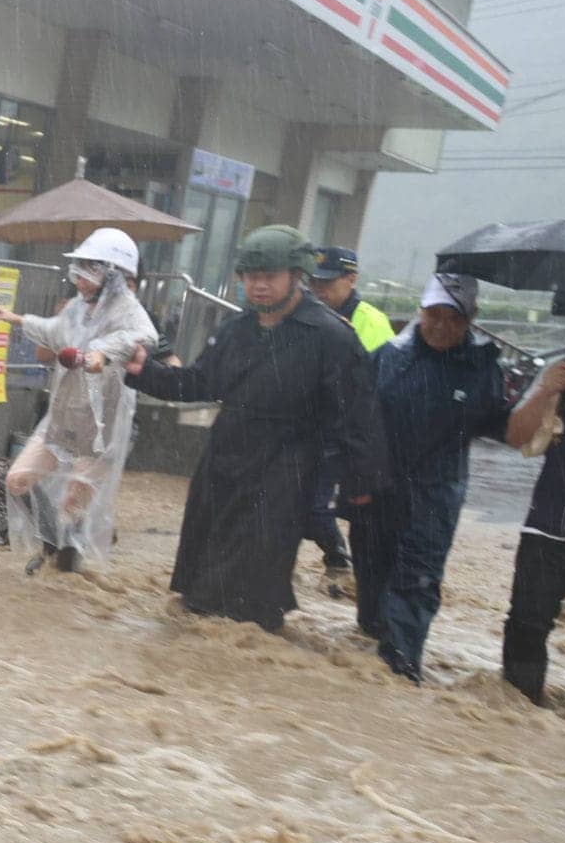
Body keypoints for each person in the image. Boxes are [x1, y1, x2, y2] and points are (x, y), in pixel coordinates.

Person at [124, 225, 387, 632]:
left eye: (270, 276)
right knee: (200, 582)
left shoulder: (332, 338)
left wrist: (361, 484)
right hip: (223, 462)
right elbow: (198, 382)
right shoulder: (237, 329)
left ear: (296, 276)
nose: (259, 286)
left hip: (285, 470)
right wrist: (146, 373)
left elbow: (358, 418)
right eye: (251, 277)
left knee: (251, 592)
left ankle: (245, 660)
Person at [352, 273, 509, 681]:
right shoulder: (390, 355)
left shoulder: (481, 366)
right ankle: (371, 645)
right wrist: (356, 479)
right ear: (420, 313)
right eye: (433, 315)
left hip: (437, 491)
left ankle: (399, 667)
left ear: (471, 319)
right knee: (371, 576)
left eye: (453, 318)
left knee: (417, 579)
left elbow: (499, 425)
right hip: (379, 486)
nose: (441, 326)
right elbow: (357, 418)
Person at [3, 227, 157, 574]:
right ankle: (50, 541)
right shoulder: (77, 307)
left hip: (103, 426)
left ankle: (63, 575)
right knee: (17, 480)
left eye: (91, 268)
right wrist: (19, 320)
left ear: (113, 275)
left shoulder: (126, 310)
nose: (81, 276)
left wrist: (103, 351)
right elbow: (57, 333)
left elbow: (146, 336)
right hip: (63, 416)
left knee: (73, 508)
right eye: (81, 266)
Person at [299, 245, 390, 590]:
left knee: (312, 504)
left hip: (342, 436)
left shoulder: (371, 322)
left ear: (351, 279)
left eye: (327, 283)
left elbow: (376, 388)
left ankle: (339, 561)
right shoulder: (305, 314)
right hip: (304, 428)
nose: (318, 290)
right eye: (314, 282)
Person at [501, 348, 565, 704]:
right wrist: (544, 390)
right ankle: (518, 731)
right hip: (548, 528)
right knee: (524, 631)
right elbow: (516, 438)